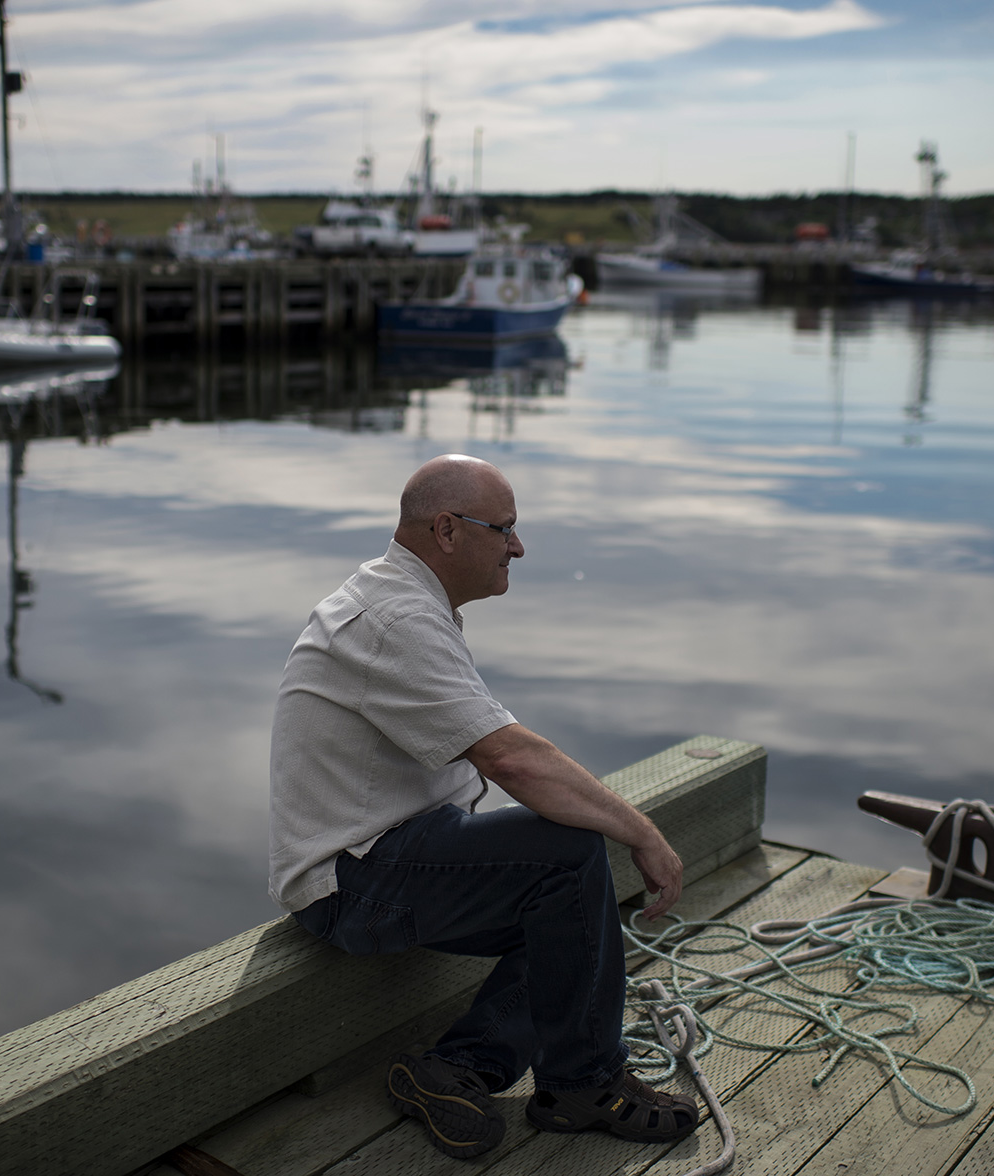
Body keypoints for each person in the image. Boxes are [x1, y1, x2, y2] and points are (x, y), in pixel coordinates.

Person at [269, 453, 698, 1160]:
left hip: (390, 857)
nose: (518, 547)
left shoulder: (402, 603)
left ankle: (455, 1069)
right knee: (567, 857)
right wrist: (642, 832)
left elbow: (503, 756)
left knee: (566, 891)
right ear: (446, 530)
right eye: (504, 529)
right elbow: (511, 758)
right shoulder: (393, 619)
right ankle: (583, 1082)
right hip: (355, 882)